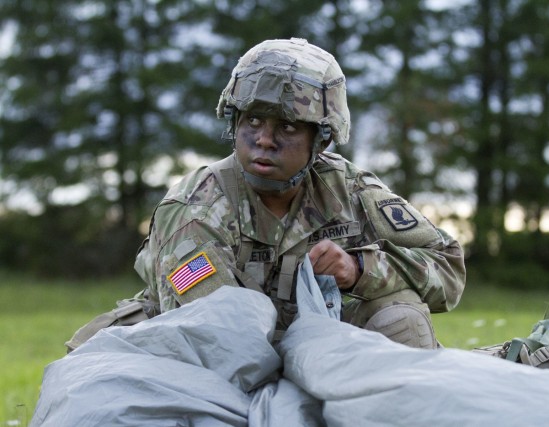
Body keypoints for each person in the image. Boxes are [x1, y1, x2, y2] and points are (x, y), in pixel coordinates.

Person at [131, 38, 466, 349]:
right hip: (205, 365)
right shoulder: (198, 209)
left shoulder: (351, 191)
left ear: (322, 140)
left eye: (287, 126)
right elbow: (215, 342)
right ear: (235, 124)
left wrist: (359, 269)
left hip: (316, 355)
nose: (264, 140)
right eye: (253, 121)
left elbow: (447, 269)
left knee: (401, 318)